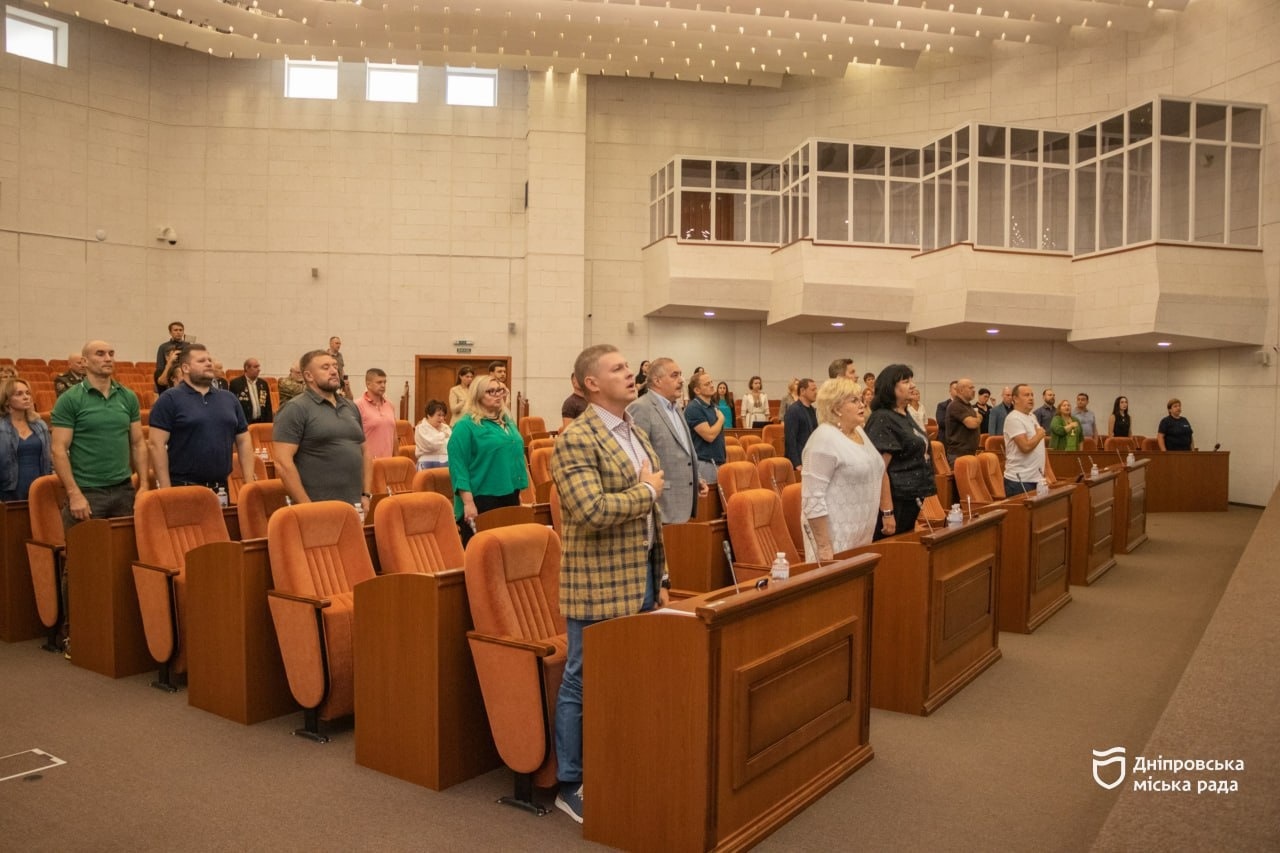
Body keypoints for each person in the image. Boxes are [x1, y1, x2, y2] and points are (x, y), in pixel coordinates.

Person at [550, 344, 667, 826]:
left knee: (629, 676)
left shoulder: (634, 431)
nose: (630, 372)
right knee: (581, 680)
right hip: (598, 581)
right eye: (617, 368)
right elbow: (591, 511)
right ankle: (571, 783)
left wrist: (661, 576)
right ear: (591, 383)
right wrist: (646, 491)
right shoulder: (576, 439)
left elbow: (652, 517)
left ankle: (617, 763)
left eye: (628, 366)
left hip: (640, 576)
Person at [52, 340, 149, 528]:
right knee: (87, 547)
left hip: (124, 491)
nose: (108, 358)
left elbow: (138, 443)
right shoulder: (70, 399)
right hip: (87, 492)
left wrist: (144, 485)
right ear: (84, 361)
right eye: (100, 353)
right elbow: (58, 449)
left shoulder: (128, 396)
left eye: (111, 354)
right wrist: (74, 493)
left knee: (125, 547)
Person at [801, 378, 891, 560]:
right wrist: (824, 547)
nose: (862, 404)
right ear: (836, 408)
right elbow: (812, 499)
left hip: (861, 533)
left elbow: (879, 468)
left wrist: (887, 511)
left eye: (860, 399)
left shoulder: (859, 432)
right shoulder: (823, 439)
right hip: (834, 538)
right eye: (854, 400)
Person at [272, 350, 372, 511]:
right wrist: (308, 508)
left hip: (355, 507)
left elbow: (365, 452)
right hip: (318, 508)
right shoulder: (295, 408)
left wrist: (366, 494)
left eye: (335, 366)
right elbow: (282, 463)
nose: (334, 371)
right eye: (325, 367)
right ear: (309, 376)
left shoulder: (350, 406)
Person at [147, 344, 255, 492]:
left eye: (209, 360)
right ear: (185, 368)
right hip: (183, 487)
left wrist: (249, 483)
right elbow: (156, 444)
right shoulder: (169, 399)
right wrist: (166, 490)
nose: (209, 363)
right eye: (201, 361)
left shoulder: (229, 398)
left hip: (220, 488)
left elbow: (243, 440)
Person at [446, 374, 527, 545]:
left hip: (509, 493)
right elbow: (458, 467)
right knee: (483, 551)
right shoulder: (465, 426)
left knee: (507, 548)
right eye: (491, 391)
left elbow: (512, 456)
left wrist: (516, 492)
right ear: (477, 395)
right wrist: (468, 503)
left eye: (500, 390)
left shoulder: (507, 421)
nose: (498, 395)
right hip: (481, 498)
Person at [627, 357, 705, 524]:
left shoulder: (676, 408)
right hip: (661, 504)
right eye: (674, 375)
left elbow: (684, 450)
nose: (681, 380)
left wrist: (696, 477)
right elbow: (637, 459)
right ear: (657, 381)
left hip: (683, 502)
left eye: (680, 375)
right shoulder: (641, 408)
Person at [864, 363, 935, 538]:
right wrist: (887, 512)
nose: (912, 385)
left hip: (910, 497)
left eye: (911, 380)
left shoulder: (903, 414)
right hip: (895, 500)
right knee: (891, 549)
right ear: (890, 387)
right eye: (905, 381)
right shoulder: (883, 417)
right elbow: (879, 470)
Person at [1, 378, 52, 501]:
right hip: (7, 490)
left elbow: (49, 456)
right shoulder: (1, 428)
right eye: (19, 394)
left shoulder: (40, 425)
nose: (26, 397)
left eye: (28, 393)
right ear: (7, 401)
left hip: (39, 489)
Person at [1003, 384, 1048, 495]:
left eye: (1032, 395)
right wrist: (1039, 435)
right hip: (1020, 480)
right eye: (1026, 395)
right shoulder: (1013, 418)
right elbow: (1025, 447)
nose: (1031, 398)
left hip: (1036, 478)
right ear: (1015, 398)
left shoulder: (1032, 416)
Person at [685, 371, 726, 484]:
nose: (712, 385)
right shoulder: (694, 408)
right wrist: (721, 419)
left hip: (718, 461)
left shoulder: (713, 406)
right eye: (707, 384)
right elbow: (709, 436)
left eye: (711, 382)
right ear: (697, 390)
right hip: (705, 463)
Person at [355, 368, 398, 458]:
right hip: (368, 462)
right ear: (368, 384)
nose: (383, 385)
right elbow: (354, 438)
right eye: (379, 382)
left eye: (384, 382)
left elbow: (394, 436)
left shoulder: (390, 405)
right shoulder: (357, 405)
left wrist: (397, 459)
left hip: (388, 462)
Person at [944, 377, 982, 465]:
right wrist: (978, 418)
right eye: (971, 388)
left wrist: (977, 419)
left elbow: (977, 418)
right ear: (961, 390)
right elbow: (972, 424)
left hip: (968, 453)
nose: (974, 390)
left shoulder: (967, 405)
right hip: (959, 454)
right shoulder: (956, 405)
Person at [783, 378, 819, 472]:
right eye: (813, 390)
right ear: (802, 391)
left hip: (810, 459)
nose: (816, 392)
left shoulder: (813, 410)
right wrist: (797, 464)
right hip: (799, 463)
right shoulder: (793, 410)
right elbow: (790, 440)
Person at [229, 357, 273, 424]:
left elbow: (268, 406)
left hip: (261, 422)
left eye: (258, 367)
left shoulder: (263, 384)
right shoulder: (236, 384)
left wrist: (269, 423)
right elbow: (233, 407)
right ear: (247, 368)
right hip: (245, 423)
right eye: (255, 367)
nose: (259, 369)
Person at [413, 400, 451, 470]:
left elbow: (452, 445)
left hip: (446, 461)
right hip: (427, 462)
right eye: (439, 415)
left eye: (443, 415)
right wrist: (443, 435)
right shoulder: (421, 428)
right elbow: (432, 445)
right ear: (429, 415)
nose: (442, 418)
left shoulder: (446, 428)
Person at [153, 321, 186, 393]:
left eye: (180, 330)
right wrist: (170, 361)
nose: (178, 332)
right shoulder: (163, 347)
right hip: (167, 375)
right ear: (170, 332)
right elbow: (160, 366)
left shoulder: (188, 346)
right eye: (175, 330)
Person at [934, 380, 957, 446]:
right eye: (955, 389)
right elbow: (941, 422)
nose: (957, 391)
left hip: (961, 441)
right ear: (950, 391)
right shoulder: (942, 405)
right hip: (946, 438)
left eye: (959, 389)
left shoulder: (966, 406)